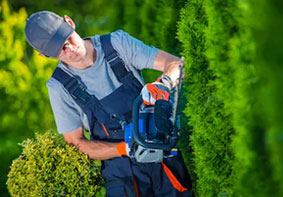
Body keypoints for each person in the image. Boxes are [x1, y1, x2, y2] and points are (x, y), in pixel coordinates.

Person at [25, 10, 192, 196]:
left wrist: (165, 83)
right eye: (61, 50)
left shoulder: (117, 45)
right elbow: (76, 145)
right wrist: (124, 148)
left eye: (68, 40)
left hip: (162, 155)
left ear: (70, 22)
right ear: (44, 55)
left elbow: (176, 64)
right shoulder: (59, 87)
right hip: (121, 175)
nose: (70, 49)